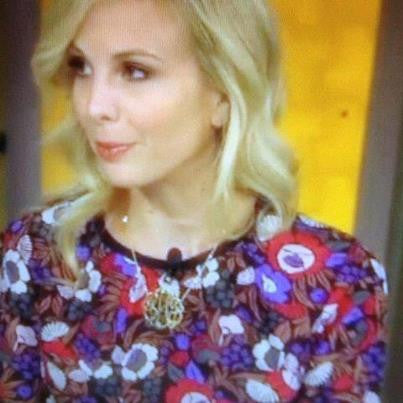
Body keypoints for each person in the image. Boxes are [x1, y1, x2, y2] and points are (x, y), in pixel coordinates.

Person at [0, 0, 388, 402]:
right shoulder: (36, 252)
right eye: (81, 66)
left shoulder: (337, 280)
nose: (93, 106)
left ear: (224, 92)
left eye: (135, 70)